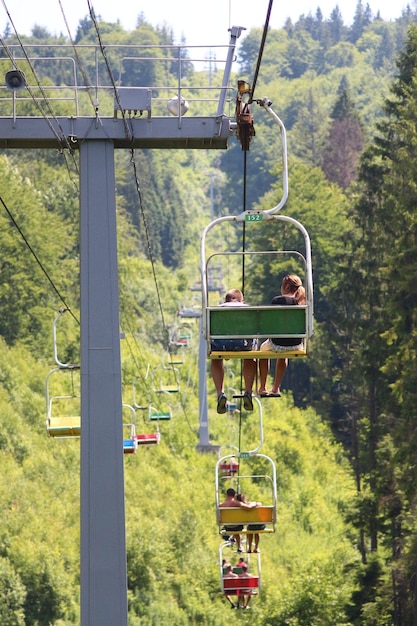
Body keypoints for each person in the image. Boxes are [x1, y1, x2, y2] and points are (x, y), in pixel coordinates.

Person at [258, 274, 306, 397]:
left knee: (263, 351)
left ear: (286, 286)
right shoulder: (301, 303)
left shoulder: (277, 301)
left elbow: (270, 324)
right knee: (283, 354)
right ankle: (275, 388)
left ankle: (263, 387)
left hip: (277, 344)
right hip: (297, 345)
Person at [210, 288, 256, 413]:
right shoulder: (248, 309)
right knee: (251, 355)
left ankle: (220, 393)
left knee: (215, 357)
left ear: (226, 300)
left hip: (222, 345)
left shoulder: (217, 310)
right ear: (241, 300)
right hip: (243, 344)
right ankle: (248, 391)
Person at [219, 488, 258, 553]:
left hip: (227, 527)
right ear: (234, 495)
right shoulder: (237, 503)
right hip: (237, 526)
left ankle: (238, 544)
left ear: (226, 494)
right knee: (236, 526)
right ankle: (239, 545)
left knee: (234, 526)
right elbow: (248, 508)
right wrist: (254, 503)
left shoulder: (221, 505)